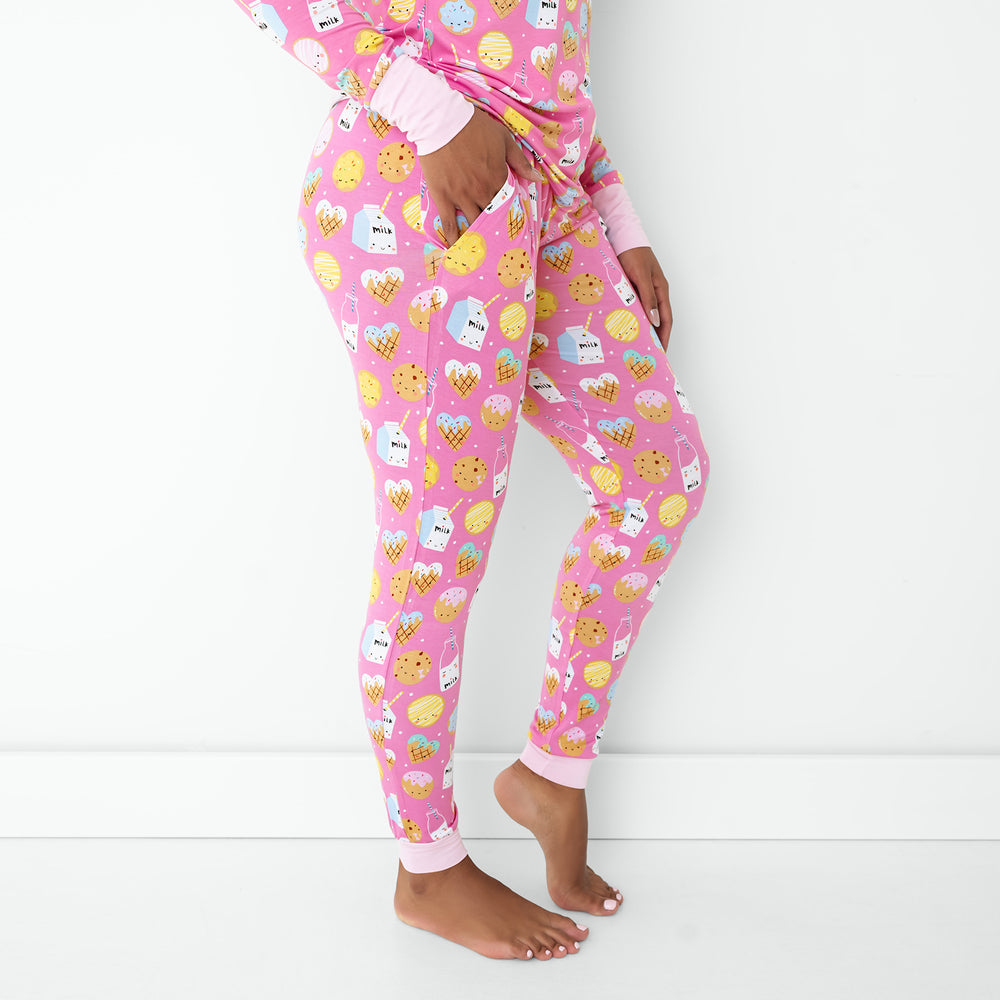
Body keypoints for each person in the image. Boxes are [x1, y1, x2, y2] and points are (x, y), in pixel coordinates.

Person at [229, 0, 710, 961]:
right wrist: (436, 116)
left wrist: (614, 212)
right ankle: (427, 867)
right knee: (435, 547)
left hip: (548, 194)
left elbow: (541, 50)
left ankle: (551, 772)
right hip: (419, 181)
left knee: (659, 477)